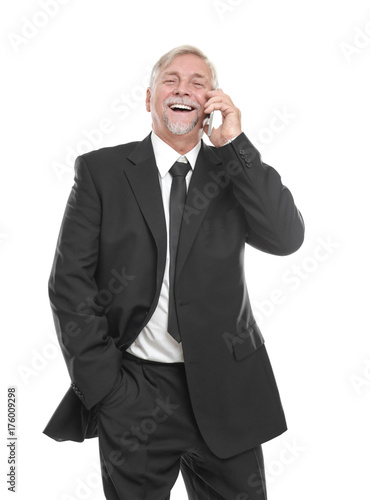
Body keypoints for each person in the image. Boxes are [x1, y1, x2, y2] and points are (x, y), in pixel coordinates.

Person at [44, 45, 304, 499]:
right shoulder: (101, 172)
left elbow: (286, 238)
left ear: (212, 101)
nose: (183, 88)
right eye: (171, 80)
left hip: (227, 388)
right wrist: (108, 389)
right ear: (149, 99)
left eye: (198, 83)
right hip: (134, 390)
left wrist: (237, 147)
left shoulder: (232, 171)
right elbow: (69, 284)